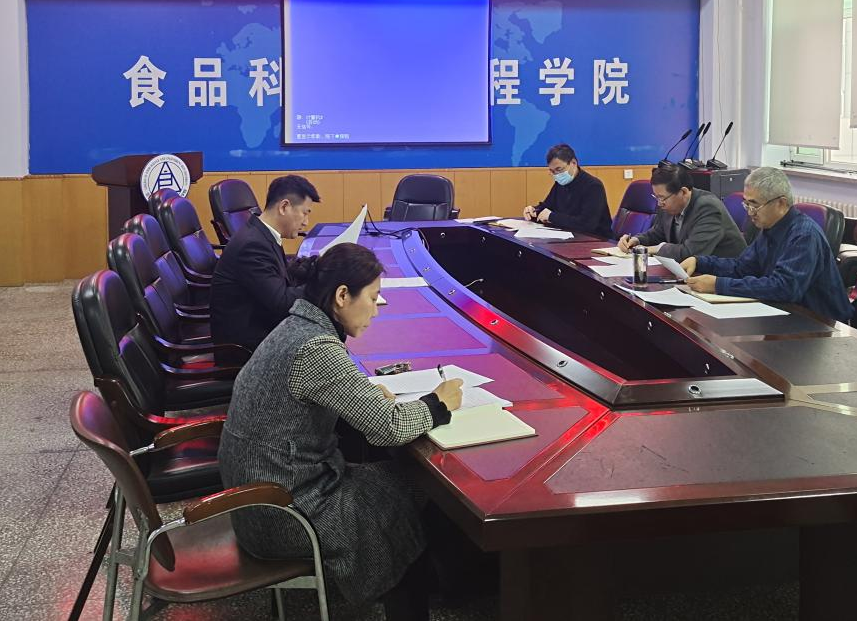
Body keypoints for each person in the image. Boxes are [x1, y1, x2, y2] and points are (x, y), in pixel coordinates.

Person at [217, 242, 463, 621]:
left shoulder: (297, 326)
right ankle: (416, 590)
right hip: (285, 515)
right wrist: (438, 402)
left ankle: (426, 579)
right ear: (342, 295)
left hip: (256, 502)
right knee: (410, 490)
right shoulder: (317, 348)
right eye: (374, 298)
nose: (377, 310)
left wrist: (365, 396)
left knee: (391, 482)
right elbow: (389, 427)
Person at [681, 166, 852, 324]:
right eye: (746, 204)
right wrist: (700, 261)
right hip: (784, 315)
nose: (750, 213)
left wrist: (718, 285)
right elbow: (742, 268)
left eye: (755, 205)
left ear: (781, 203)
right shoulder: (769, 227)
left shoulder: (804, 235)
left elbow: (784, 288)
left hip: (821, 323)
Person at [210, 174, 321, 350]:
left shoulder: (262, 233)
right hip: (246, 347)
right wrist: (324, 285)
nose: (306, 222)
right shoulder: (252, 245)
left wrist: (313, 268)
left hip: (262, 327)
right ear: (284, 207)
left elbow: (278, 279)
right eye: (304, 213)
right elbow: (282, 303)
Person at [617, 164, 746, 262]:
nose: (659, 203)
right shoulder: (669, 205)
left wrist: (655, 249)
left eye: (662, 198)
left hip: (724, 276)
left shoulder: (708, 207)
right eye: (656, 197)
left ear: (683, 192)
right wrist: (636, 241)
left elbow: (691, 254)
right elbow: (657, 234)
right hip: (691, 273)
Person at [523, 143, 614, 239]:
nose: (556, 175)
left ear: (573, 163)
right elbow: (547, 206)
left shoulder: (593, 186)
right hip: (567, 237)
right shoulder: (560, 184)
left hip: (595, 240)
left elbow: (587, 224)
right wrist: (534, 210)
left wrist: (551, 217)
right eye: (552, 171)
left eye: (559, 169)